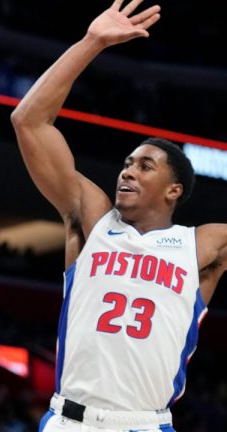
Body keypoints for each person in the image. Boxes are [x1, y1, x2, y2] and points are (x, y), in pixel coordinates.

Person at [11, 1, 227, 431]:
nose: (127, 170)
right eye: (127, 162)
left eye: (144, 165)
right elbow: (29, 121)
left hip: (145, 423)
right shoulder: (92, 219)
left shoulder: (203, 244)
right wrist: (91, 43)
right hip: (70, 420)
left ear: (174, 190)